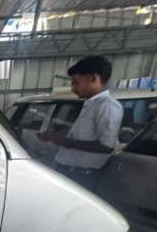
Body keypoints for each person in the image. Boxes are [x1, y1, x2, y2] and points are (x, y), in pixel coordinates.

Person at [39, 55, 122, 190]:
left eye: (76, 83)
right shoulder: (91, 104)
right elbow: (88, 134)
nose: (73, 89)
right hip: (71, 172)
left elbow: (106, 146)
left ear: (93, 78)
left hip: (82, 176)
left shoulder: (107, 106)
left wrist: (63, 141)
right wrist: (66, 131)